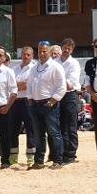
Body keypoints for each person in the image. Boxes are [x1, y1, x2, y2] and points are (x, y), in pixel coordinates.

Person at [28, 41, 66, 169]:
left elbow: (62, 86)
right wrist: (30, 99)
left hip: (49, 104)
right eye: (40, 51)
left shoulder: (55, 67)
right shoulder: (34, 68)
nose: (42, 53)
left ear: (49, 52)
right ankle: (39, 161)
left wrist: (53, 100)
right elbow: (29, 85)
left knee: (54, 133)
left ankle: (58, 160)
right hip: (35, 105)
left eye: (44, 51)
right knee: (38, 135)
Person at [9, 46, 36, 167]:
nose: (25, 57)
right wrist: (17, 85)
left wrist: (16, 85)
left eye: (28, 55)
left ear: (32, 56)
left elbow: (27, 85)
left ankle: (31, 157)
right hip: (15, 101)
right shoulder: (14, 69)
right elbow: (10, 85)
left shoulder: (34, 68)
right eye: (24, 54)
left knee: (30, 129)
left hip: (27, 101)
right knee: (13, 129)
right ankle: (13, 156)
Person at [57, 38, 82, 163]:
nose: (66, 50)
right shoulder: (55, 62)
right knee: (60, 125)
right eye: (65, 47)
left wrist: (57, 83)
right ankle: (62, 153)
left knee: (71, 125)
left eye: (69, 48)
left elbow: (71, 83)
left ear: (72, 50)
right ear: (61, 48)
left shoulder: (74, 63)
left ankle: (71, 154)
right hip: (58, 96)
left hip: (70, 95)